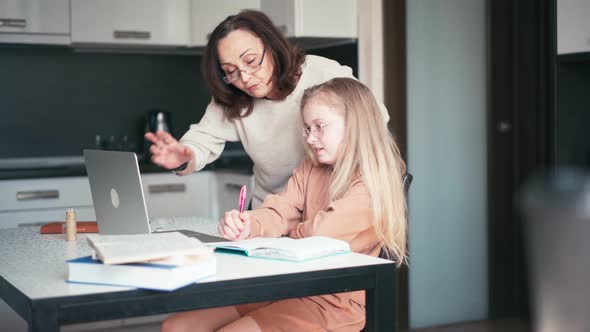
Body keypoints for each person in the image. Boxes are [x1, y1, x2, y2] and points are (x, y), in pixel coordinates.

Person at [160, 77, 408, 332]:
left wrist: (291, 230)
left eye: (320, 126)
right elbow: (280, 210)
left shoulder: (371, 182)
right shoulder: (311, 167)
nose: (311, 138)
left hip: (332, 302)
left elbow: (321, 236)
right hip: (287, 285)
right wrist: (250, 224)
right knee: (177, 326)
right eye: (307, 129)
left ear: (355, 124)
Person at [144, 10, 388, 208]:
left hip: (330, 208)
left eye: (250, 61)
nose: (245, 77)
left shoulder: (322, 74)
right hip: (272, 212)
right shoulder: (233, 97)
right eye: (231, 72)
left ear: (271, 46)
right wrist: (182, 159)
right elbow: (200, 142)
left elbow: (374, 118)